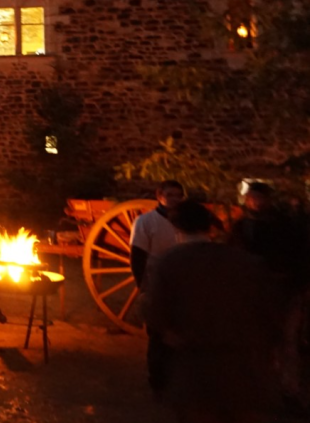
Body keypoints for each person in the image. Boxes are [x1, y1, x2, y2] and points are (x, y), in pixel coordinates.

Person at [147, 200, 280, 423]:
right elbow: (269, 310)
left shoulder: (169, 262)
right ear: (209, 226)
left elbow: (156, 313)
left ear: (177, 227)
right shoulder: (247, 262)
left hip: (194, 366)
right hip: (241, 366)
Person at [231, 181, 310, 415]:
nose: (254, 201)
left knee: (287, 343)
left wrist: (298, 283)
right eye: (251, 197)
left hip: (285, 289)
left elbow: (301, 256)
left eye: (259, 197)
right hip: (254, 292)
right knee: (256, 343)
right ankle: (257, 391)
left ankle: (289, 393)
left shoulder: (287, 226)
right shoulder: (242, 226)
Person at [129, 179, 185, 395]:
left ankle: (176, 378)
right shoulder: (146, 222)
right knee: (158, 335)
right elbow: (137, 256)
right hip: (156, 282)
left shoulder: (183, 220)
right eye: (170, 195)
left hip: (181, 283)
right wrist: (142, 286)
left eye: (178, 195)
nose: (175, 199)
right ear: (159, 195)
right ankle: (158, 381)